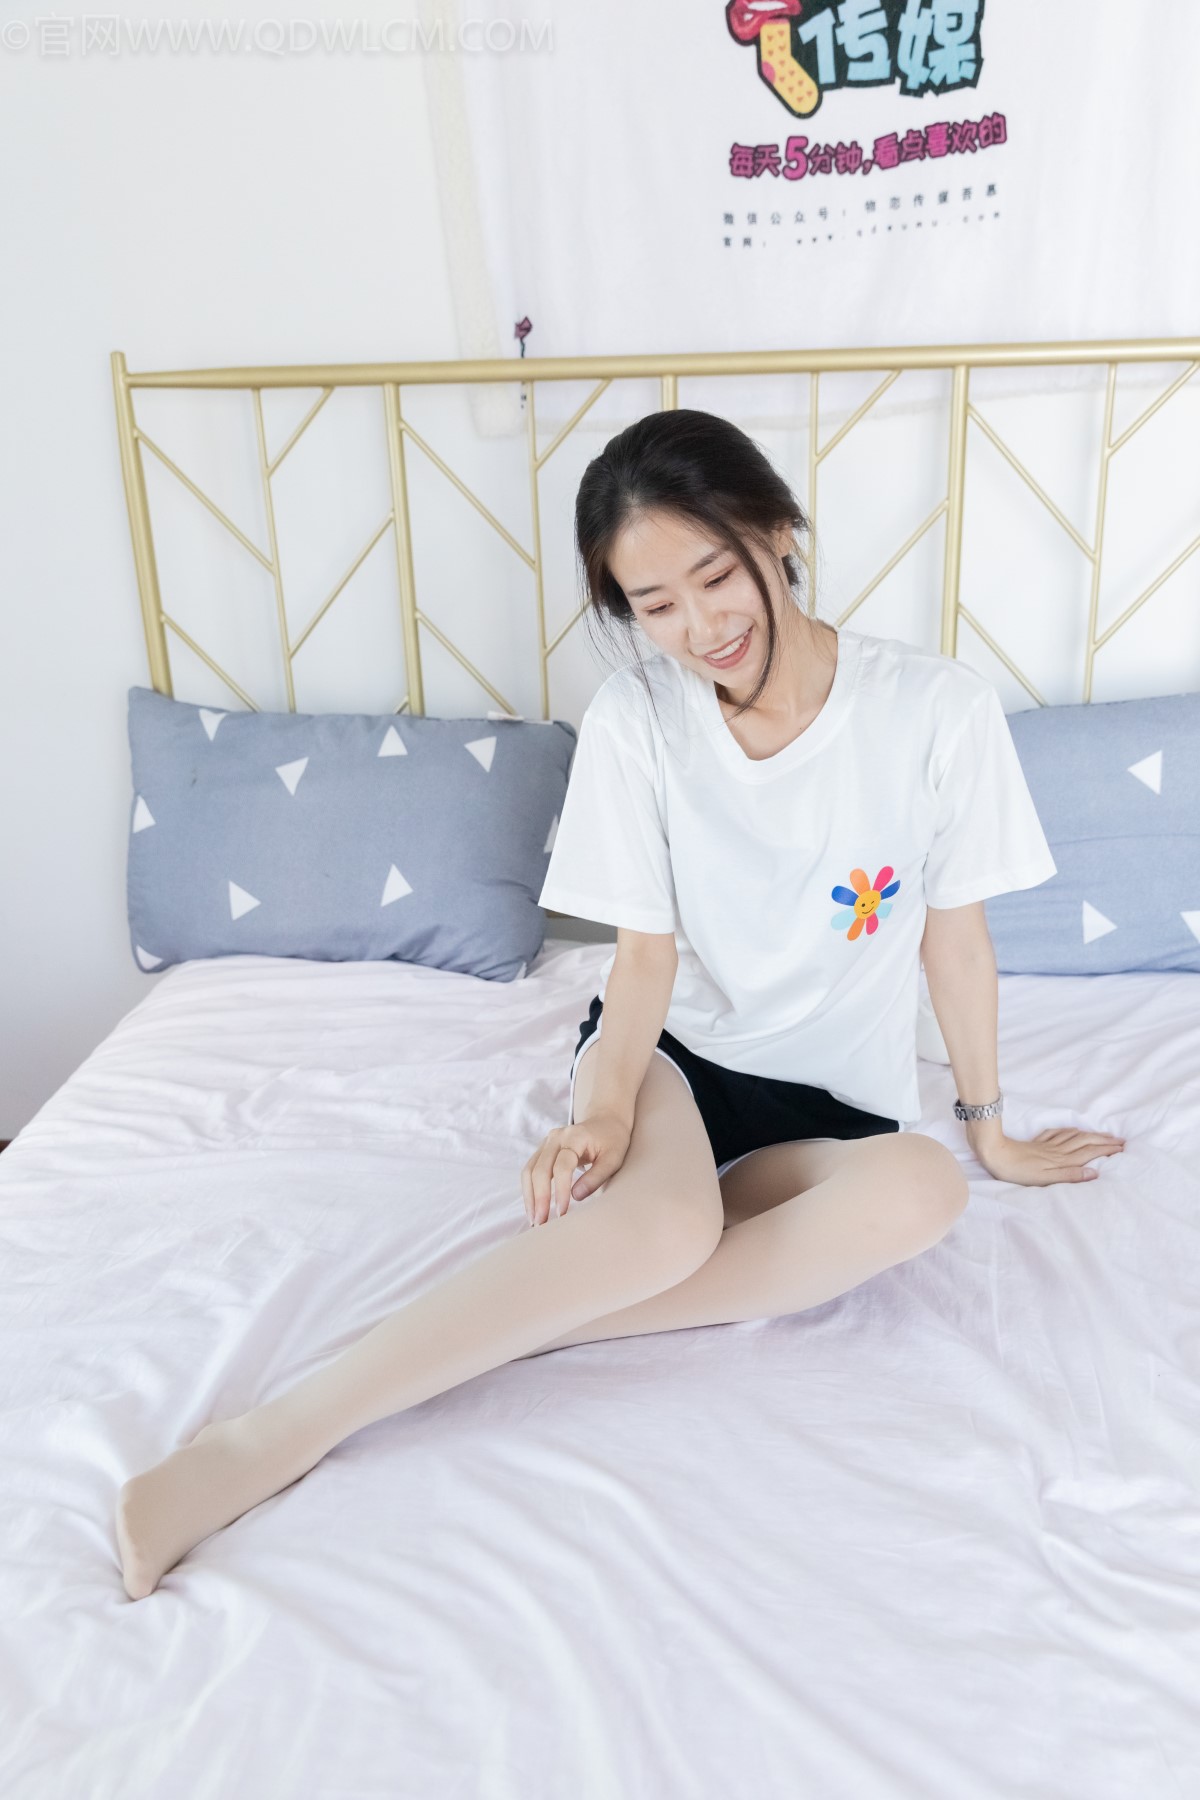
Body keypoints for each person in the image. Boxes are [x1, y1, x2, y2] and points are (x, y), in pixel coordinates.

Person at [115, 409, 1125, 1601]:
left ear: (778, 532)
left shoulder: (936, 709)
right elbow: (643, 959)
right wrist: (601, 1112)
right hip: (677, 1057)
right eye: (656, 604)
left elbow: (956, 941)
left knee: (925, 1190)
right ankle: (271, 1437)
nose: (702, 626)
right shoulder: (639, 721)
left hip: (835, 1102)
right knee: (661, 1232)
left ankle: (528, 1312)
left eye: (715, 575)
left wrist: (989, 1128)